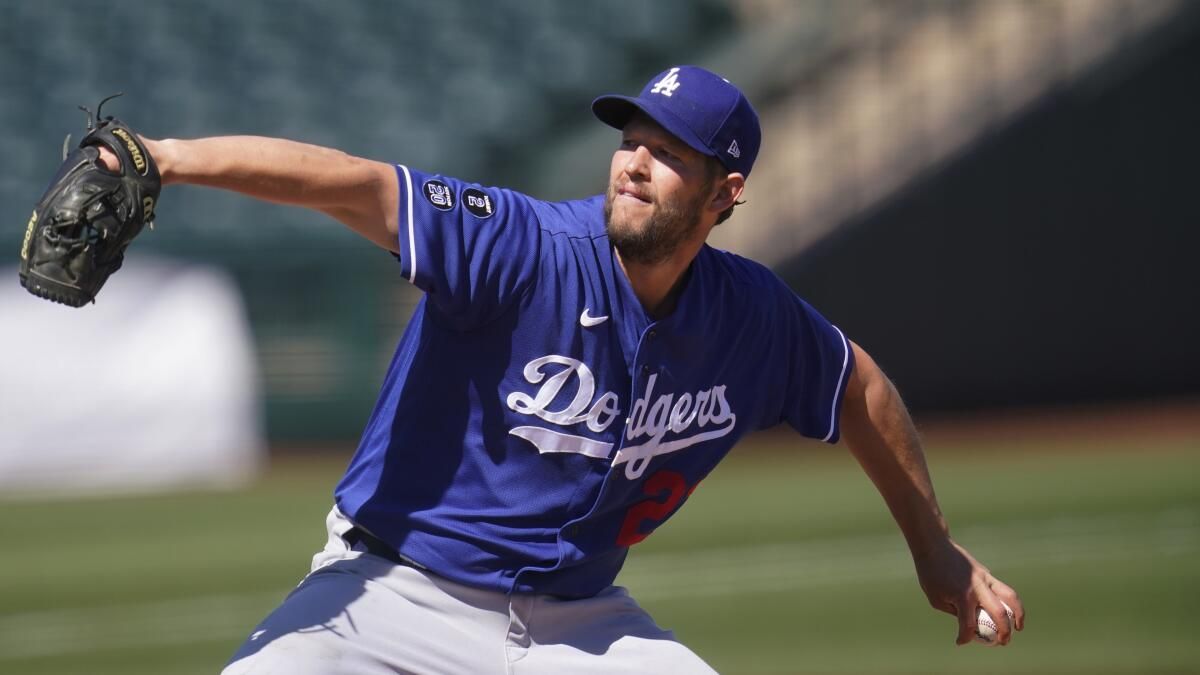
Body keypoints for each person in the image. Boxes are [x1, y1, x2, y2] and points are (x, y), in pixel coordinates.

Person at [102, 65, 1023, 673]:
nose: (634, 164)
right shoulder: (525, 244)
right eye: (632, 139)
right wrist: (169, 160)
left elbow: (856, 383)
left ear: (724, 194)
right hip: (391, 592)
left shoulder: (749, 314)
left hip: (578, 625)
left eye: (669, 155)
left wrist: (933, 545)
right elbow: (355, 182)